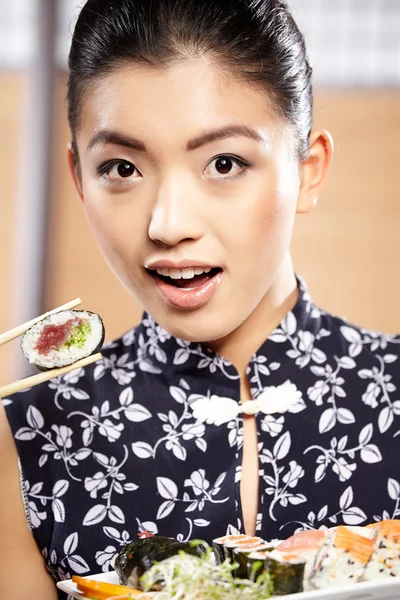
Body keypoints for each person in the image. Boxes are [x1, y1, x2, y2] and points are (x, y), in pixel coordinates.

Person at [1, 0, 400, 598]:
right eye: (121, 168)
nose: (168, 224)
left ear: (308, 171)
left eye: (224, 162)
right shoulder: (30, 438)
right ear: (80, 180)